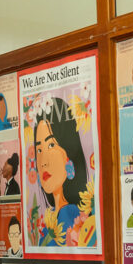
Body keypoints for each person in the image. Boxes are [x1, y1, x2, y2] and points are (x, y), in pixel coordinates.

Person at [33, 96, 91, 246]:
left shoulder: (77, 217)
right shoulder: (47, 224)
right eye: (39, 150)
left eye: (51, 145)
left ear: (68, 157)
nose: (43, 162)